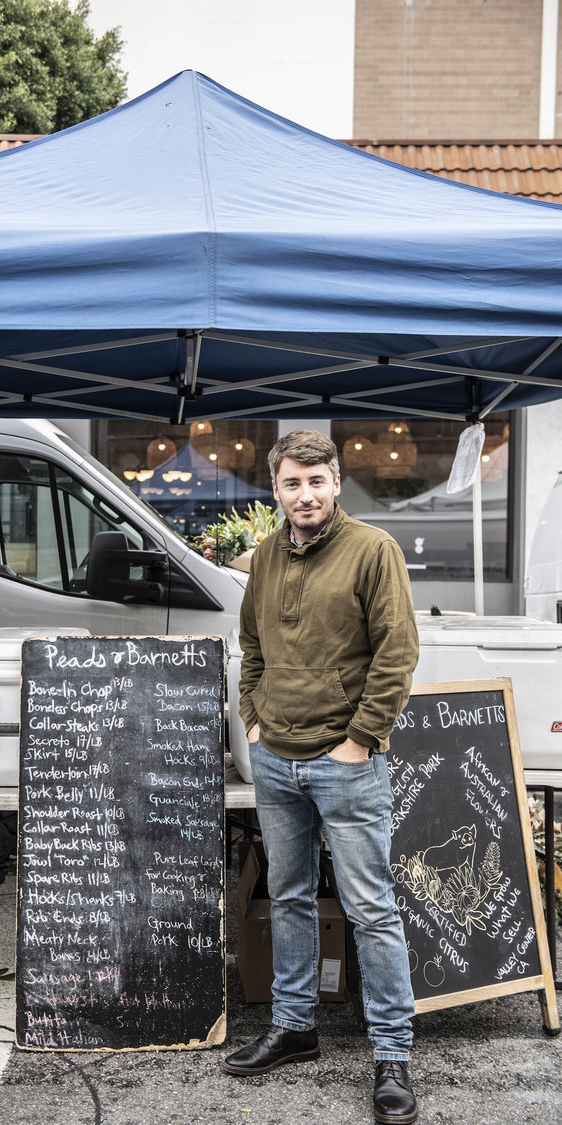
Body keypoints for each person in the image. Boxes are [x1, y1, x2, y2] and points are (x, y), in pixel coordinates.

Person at [223, 430, 420, 1125]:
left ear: (336, 482)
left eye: (315, 480)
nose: (303, 494)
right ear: (275, 491)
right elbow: (251, 646)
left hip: (346, 762)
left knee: (371, 908)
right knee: (289, 895)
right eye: (290, 483)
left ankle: (392, 1054)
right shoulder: (267, 557)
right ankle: (294, 1026)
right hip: (277, 758)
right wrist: (253, 720)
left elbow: (398, 654)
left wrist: (360, 740)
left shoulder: (373, 550)